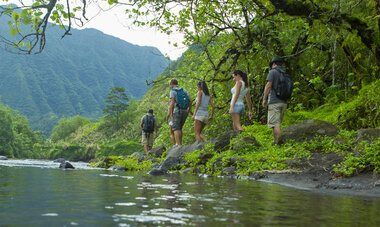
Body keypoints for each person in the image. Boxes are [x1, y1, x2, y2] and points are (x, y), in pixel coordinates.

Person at [262, 57, 288, 145]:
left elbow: (268, 85)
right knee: (277, 123)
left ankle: (279, 143)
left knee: (275, 124)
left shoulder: (272, 72)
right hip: (283, 102)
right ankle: (275, 141)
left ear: (274, 64)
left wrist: (264, 99)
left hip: (274, 101)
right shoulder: (284, 73)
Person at [166, 79, 192, 147]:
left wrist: (171, 114)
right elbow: (190, 100)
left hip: (177, 111)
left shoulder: (173, 91)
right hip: (185, 110)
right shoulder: (184, 90)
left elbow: (172, 103)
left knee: (176, 128)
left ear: (172, 84)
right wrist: (189, 110)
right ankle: (180, 144)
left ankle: (179, 146)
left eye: (170, 84)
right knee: (180, 128)